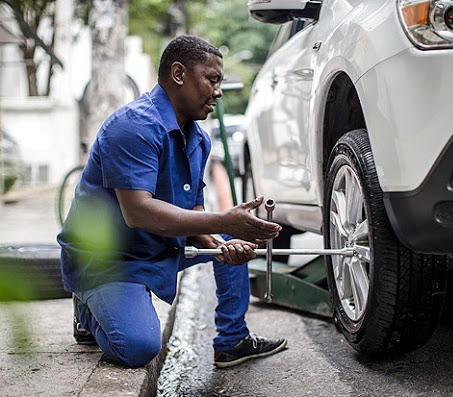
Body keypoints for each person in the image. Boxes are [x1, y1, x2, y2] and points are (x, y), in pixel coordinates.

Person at [57, 35, 287, 368]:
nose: (218, 92)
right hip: (106, 259)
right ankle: (88, 307)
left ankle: (231, 340)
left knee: (229, 243)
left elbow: (194, 209)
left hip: (158, 244)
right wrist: (225, 220)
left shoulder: (198, 138)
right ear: (179, 74)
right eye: (212, 79)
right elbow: (138, 213)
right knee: (137, 348)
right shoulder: (133, 127)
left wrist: (220, 245)